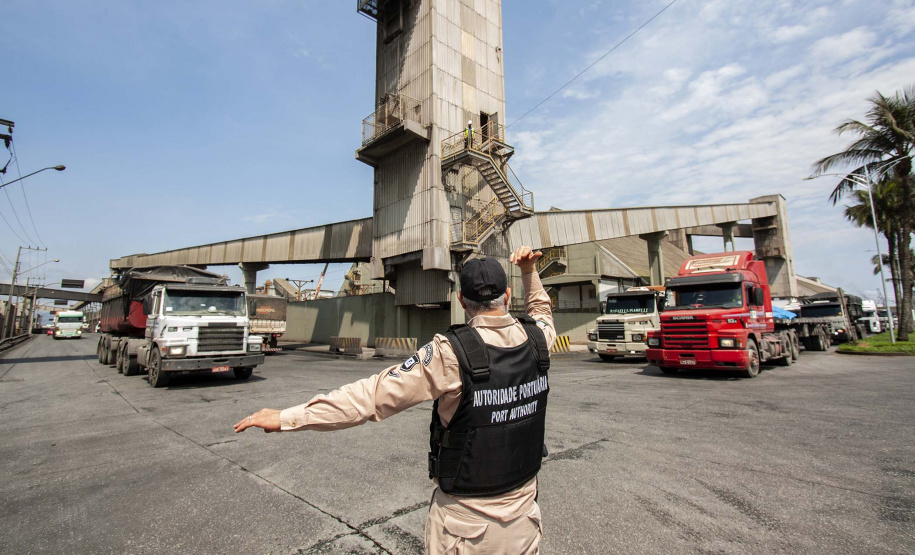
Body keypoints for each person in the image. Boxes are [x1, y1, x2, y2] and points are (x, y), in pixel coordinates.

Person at [234, 246, 555, 554]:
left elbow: (370, 397)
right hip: (525, 521)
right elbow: (541, 312)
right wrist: (529, 272)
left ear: (461, 299)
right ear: (508, 296)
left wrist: (289, 417)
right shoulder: (539, 340)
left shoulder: (451, 354)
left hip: (466, 529)